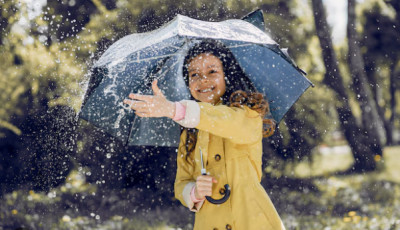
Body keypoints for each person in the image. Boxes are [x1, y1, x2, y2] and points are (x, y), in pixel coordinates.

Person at [123, 40, 285, 230]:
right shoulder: (189, 132)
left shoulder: (247, 115)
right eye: (195, 75)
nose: (203, 80)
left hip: (252, 220)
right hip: (209, 222)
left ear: (227, 75)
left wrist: (174, 110)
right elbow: (181, 183)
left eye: (212, 72)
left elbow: (225, 121)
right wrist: (194, 191)